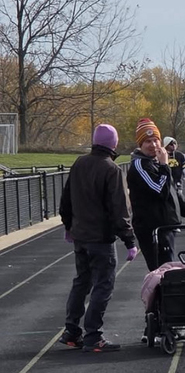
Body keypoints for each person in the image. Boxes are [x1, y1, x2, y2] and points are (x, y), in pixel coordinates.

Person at [57, 124, 139, 353]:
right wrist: (130, 241)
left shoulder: (79, 163)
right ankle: (93, 334)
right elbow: (119, 209)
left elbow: (66, 200)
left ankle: (72, 330)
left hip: (80, 236)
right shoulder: (111, 170)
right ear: (113, 144)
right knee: (104, 285)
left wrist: (69, 226)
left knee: (81, 282)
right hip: (100, 239)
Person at [127, 118, 185, 272]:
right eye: (148, 141)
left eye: (155, 140)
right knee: (162, 274)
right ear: (140, 144)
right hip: (153, 230)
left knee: (169, 274)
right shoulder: (139, 166)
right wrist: (164, 165)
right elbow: (160, 191)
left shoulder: (155, 163)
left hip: (166, 227)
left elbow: (172, 192)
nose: (153, 145)